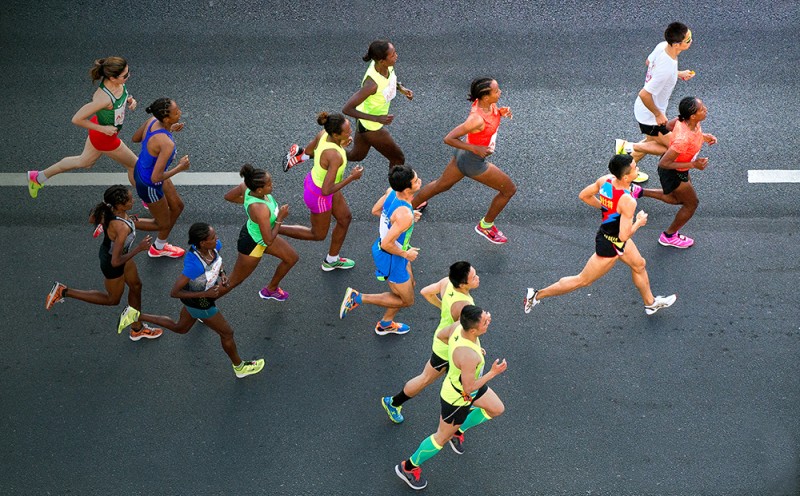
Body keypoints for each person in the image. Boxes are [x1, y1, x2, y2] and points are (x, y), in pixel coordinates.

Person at [524, 154, 676, 315]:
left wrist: (606, 208)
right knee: (583, 280)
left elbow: (584, 195)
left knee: (639, 265)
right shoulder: (628, 201)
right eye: (634, 167)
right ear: (625, 177)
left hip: (612, 236)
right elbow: (624, 236)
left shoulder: (606, 180)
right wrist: (639, 222)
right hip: (610, 245)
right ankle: (536, 295)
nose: (637, 167)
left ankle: (650, 303)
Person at [129, 223, 265, 378]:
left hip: (199, 298)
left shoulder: (214, 246)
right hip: (200, 302)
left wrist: (222, 274)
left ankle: (136, 316)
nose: (217, 238)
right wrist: (203, 295)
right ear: (202, 243)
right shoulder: (194, 265)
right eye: (213, 237)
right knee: (227, 333)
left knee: (181, 328)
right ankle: (240, 367)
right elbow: (175, 292)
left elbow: (218, 263)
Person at [394, 305, 507, 491]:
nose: (489, 319)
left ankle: (459, 430)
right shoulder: (469, 356)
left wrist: (464, 358)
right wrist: (492, 372)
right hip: (456, 399)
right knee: (440, 439)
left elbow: (441, 336)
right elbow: (469, 386)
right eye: (485, 321)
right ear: (473, 330)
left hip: (469, 385)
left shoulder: (458, 327)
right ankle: (408, 467)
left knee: (496, 408)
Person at [44, 185, 164, 340]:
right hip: (113, 262)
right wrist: (139, 249)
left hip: (118, 254)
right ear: (120, 206)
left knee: (136, 286)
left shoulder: (109, 212)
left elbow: (91, 218)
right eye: (130, 199)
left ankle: (137, 328)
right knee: (112, 300)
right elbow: (115, 262)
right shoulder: (121, 228)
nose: (133, 200)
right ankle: (64, 291)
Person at [410, 77, 515, 244]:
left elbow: (488, 122)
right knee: (508, 190)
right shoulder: (476, 119)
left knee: (440, 185)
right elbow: (449, 138)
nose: (500, 92)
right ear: (485, 97)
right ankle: (485, 226)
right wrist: (476, 148)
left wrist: (500, 113)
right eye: (496, 90)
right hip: (472, 161)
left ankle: (408, 209)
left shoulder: (488, 105)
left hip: (462, 155)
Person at [284, 40, 413, 170]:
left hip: (365, 122)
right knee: (397, 158)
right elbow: (347, 109)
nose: (396, 55)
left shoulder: (387, 67)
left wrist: (401, 88)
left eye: (394, 52)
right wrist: (377, 118)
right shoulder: (371, 85)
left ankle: (303, 154)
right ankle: (394, 190)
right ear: (381, 61)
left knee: (356, 155)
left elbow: (390, 80)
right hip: (371, 126)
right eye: (392, 54)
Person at [381, 261, 480, 423]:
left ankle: (467, 400)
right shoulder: (463, 305)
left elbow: (426, 292)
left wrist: (443, 307)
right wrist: (473, 348)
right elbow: (461, 332)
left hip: (443, 342)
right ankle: (393, 402)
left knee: (460, 378)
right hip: (448, 348)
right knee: (426, 378)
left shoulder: (447, 282)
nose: (478, 278)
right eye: (473, 277)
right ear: (463, 284)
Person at [28, 57, 138, 199]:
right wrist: (103, 129)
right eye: (125, 75)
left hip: (100, 131)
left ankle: (38, 177)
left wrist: (129, 100)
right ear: (112, 78)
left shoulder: (118, 84)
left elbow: (120, 97)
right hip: (105, 137)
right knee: (134, 166)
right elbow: (77, 119)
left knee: (84, 162)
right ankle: (148, 199)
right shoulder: (103, 98)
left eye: (128, 72)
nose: (129, 76)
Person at [339, 164, 421, 335]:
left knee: (409, 285)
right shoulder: (404, 214)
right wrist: (406, 253)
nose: (420, 181)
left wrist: (401, 223)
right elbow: (386, 244)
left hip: (394, 251)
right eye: (415, 180)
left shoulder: (391, 192)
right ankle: (358, 297)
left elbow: (376, 210)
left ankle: (385, 324)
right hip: (392, 256)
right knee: (407, 301)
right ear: (407, 189)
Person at [278, 112, 363, 271]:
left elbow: (309, 151)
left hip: (319, 182)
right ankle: (274, 228)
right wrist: (352, 177)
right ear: (336, 134)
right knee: (317, 235)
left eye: (349, 127)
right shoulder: (335, 156)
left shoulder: (323, 134)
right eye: (347, 131)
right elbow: (326, 190)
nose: (350, 131)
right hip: (320, 194)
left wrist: (341, 144)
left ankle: (331, 260)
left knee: (344, 218)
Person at [614, 22, 696, 183]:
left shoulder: (663, 47)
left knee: (652, 142)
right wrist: (658, 114)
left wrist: (677, 74)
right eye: (688, 39)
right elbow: (644, 94)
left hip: (646, 111)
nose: (691, 41)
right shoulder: (666, 69)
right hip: (650, 115)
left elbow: (649, 63)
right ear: (677, 44)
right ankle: (628, 146)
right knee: (673, 149)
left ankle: (624, 174)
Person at [636, 97, 717, 248]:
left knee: (677, 199)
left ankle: (639, 192)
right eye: (702, 109)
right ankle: (668, 236)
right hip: (673, 170)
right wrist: (693, 164)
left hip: (680, 168)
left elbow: (668, 125)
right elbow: (664, 163)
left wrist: (702, 137)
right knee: (691, 204)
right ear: (692, 116)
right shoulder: (683, 140)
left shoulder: (686, 121)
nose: (705, 109)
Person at [221, 164, 297, 301]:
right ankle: (203, 304)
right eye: (269, 184)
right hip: (253, 244)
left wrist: (247, 203)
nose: (272, 185)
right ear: (259, 189)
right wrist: (280, 218)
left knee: (291, 258)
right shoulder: (260, 209)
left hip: (259, 234)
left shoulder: (247, 187)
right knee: (233, 281)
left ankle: (271, 289)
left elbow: (229, 197)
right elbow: (268, 240)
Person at [131, 98, 190, 258]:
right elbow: (156, 176)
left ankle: (159, 245)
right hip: (150, 183)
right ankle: (118, 219)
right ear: (166, 118)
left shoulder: (152, 120)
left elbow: (136, 138)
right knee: (161, 224)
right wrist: (180, 167)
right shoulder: (166, 144)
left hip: (143, 169)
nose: (180, 113)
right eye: (176, 112)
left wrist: (168, 129)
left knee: (177, 206)